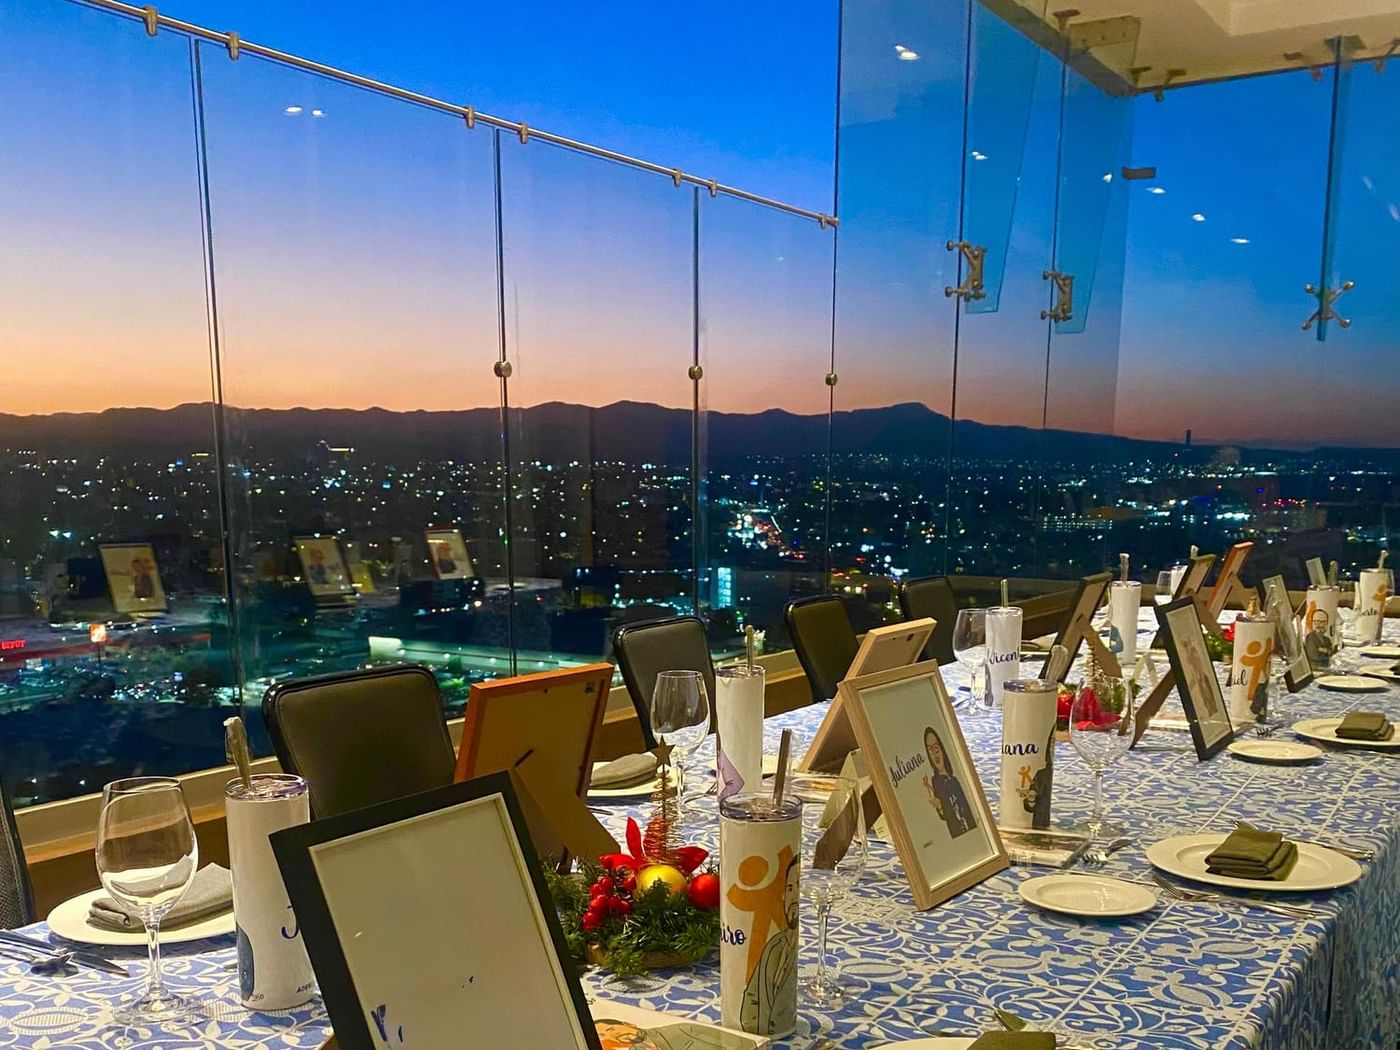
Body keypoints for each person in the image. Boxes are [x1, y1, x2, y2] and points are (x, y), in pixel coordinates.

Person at [920, 726, 976, 838]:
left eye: (936, 748)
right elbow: (944, 816)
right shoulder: (936, 781)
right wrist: (940, 806)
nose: (935, 754)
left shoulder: (954, 779)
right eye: (930, 750)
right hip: (957, 833)